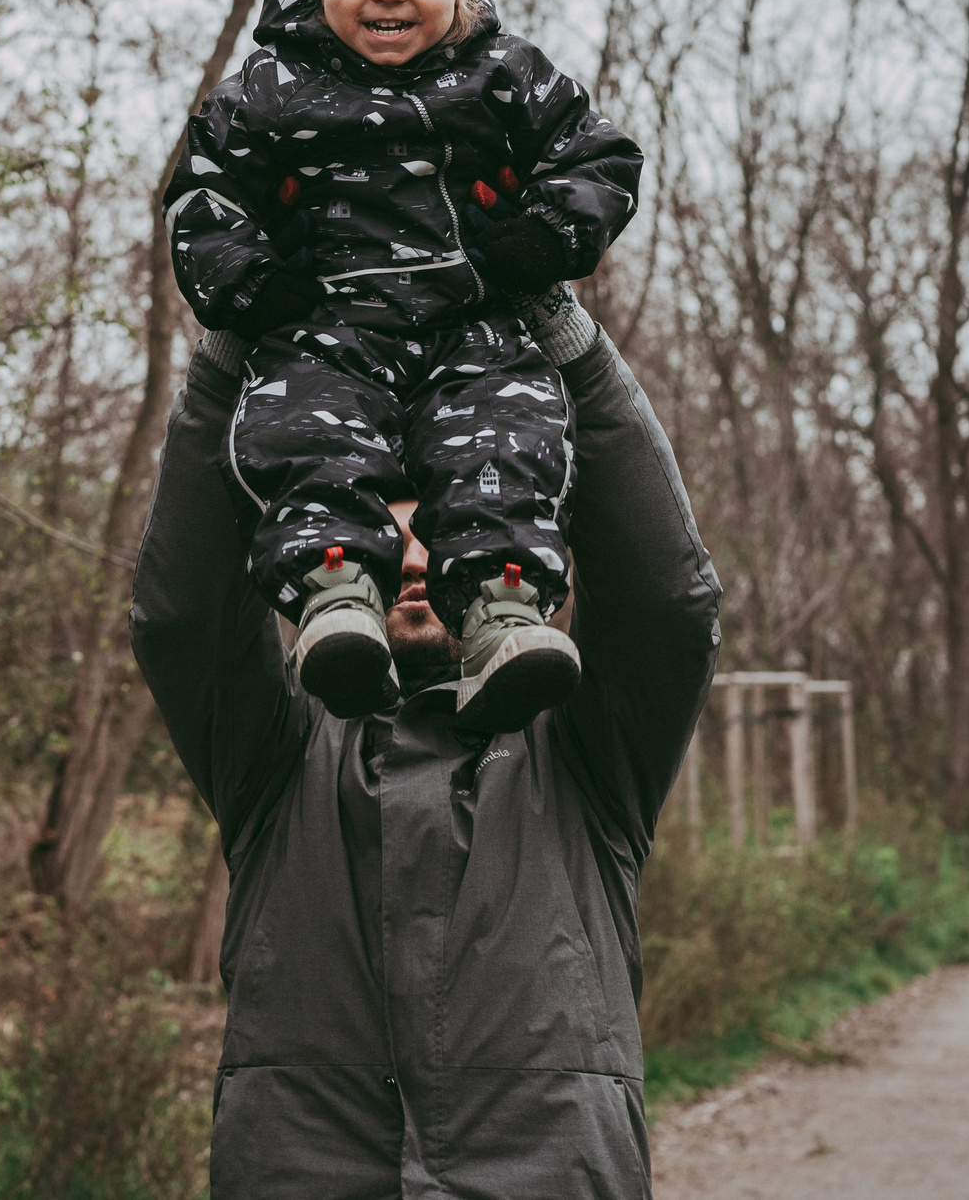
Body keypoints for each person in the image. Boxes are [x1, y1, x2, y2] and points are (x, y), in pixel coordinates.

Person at [134, 292, 721, 1198]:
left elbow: (669, 607)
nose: (412, 558)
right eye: (384, 536)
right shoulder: (277, 755)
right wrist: (231, 350)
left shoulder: (586, 756)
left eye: (439, 533)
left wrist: (565, 336)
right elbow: (181, 618)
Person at [162, 0, 643, 737]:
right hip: (326, 318)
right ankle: (336, 593)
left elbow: (601, 157)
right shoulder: (270, 87)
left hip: (474, 317)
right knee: (306, 433)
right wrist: (247, 283)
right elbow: (202, 187)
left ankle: (504, 612)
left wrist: (543, 237)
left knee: (505, 440)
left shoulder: (504, 74)